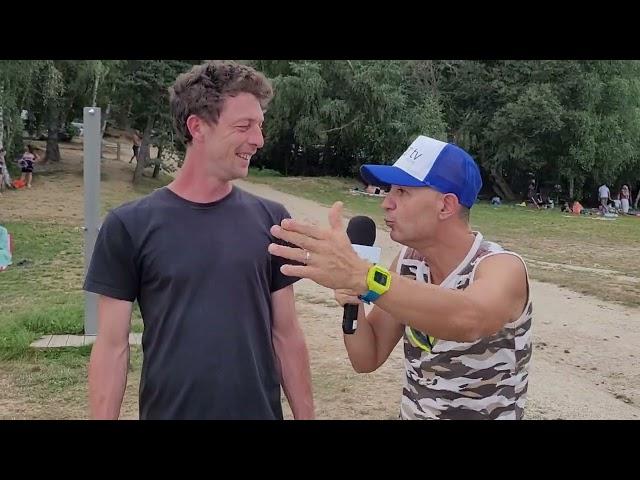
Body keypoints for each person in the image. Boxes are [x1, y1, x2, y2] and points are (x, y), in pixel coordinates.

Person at [84, 60, 314, 420]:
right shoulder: (128, 225)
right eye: (244, 126)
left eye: (259, 126)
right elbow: (112, 347)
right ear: (198, 127)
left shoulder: (272, 220)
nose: (258, 139)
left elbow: (286, 334)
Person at [269, 135, 532, 420]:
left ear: (445, 205)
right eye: (389, 190)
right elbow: (366, 358)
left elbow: (468, 318)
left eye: (403, 192)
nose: (386, 203)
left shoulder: (502, 267)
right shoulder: (408, 262)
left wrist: (365, 277)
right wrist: (354, 299)